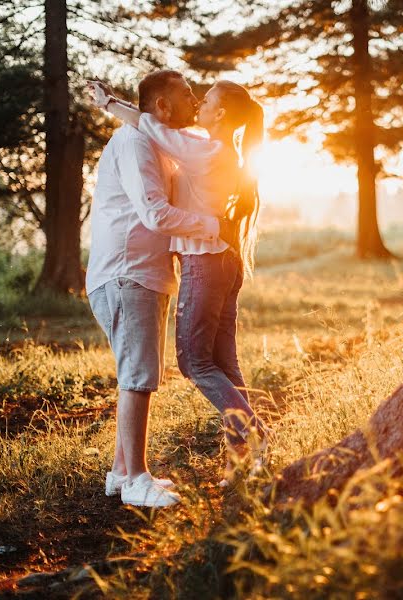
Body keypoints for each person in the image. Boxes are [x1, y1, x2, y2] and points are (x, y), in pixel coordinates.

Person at [89, 76, 269, 486]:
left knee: (195, 362)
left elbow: (152, 126)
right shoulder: (213, 150)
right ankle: (238, 466)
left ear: (220, 113)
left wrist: (110, 104)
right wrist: (117, 105)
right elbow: (155, 125)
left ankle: (255, 432)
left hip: (205, 262)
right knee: (224, 364)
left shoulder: (208, 150)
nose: (199, 104)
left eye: (205, 100)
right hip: (223, 261)